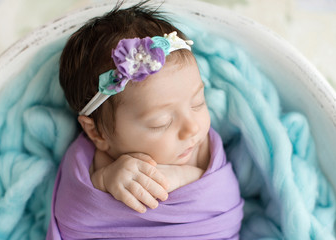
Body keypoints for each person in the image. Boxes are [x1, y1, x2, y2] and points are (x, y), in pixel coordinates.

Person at [47, 1, 243, 239]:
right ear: (97, 133)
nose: (192, 128)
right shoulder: (89, 164)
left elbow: (223, 198)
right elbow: (74, 214)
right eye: (161, 122)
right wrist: (105, 179)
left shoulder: (201, 147)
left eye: (198, 103)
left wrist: (181, 177)